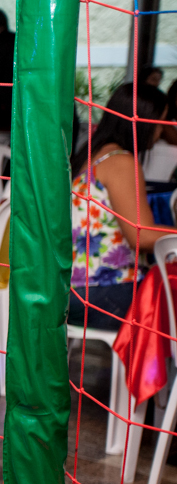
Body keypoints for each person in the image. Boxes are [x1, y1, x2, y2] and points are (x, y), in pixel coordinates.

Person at [69, 83, 169, 329]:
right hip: (101, 293)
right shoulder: (121, 162)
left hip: (71, 290)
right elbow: (141, 235)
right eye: (161, 123)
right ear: (144, 122)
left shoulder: (91, 152)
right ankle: (153, 367)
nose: (161, 132)